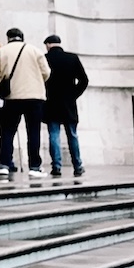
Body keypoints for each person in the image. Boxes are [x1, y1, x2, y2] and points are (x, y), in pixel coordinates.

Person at [0, 26, 50, 173]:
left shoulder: (0, 52)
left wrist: (2, 91)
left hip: (12, 98)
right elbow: (46, 73)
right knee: (33, 132)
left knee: (8, 132)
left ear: (8, 38)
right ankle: (35, 166)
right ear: (22, 37)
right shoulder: (35, 50)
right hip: (34, 97)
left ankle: (4, 164)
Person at [43, 33, 89, 177]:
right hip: (69, 103)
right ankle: (77, 165)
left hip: (51, 102)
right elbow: (84, 80)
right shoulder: (72, 58)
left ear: (48, 45)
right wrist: (73, 95)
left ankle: (56, 166)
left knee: (54, 135)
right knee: (73, 135)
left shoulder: (45, 59)